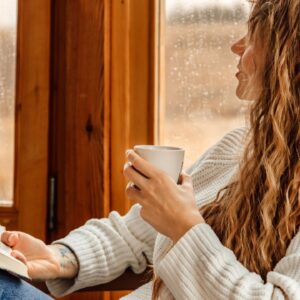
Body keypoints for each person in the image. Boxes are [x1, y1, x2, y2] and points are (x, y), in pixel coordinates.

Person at [1, 0, 300, 298]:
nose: (237, 46)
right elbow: (132, 234)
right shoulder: (238, 150)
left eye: (253, 36)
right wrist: (59, 257)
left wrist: (185, 227)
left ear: (286, 58)